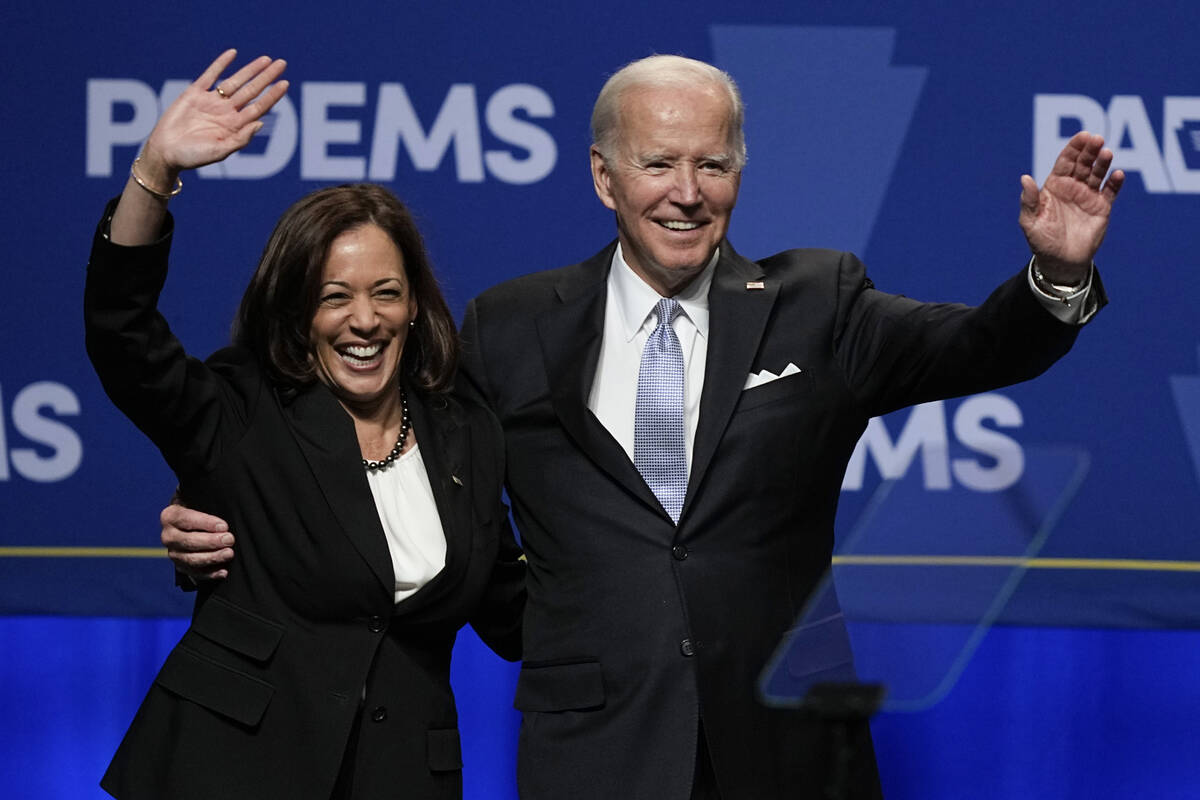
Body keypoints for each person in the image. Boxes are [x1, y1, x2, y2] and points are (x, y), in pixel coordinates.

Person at [162, 54, 1122, 799]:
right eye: (657, 162)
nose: (686, 190)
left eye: (712, 163)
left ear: (740, 172)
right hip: (597, 743)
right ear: (602, 177)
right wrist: (224, 509)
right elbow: (372, 434)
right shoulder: (512, 324)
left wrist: (1057, 278)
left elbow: (982, 348)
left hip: (790, 741)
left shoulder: (817, 300)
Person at [86, 50, 524, 800]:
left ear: (415, 306)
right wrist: (154, 171)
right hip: (230, 769)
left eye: (387, 293)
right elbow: (122, 332)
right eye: (335, 298)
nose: (365, 320)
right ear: (297, 313)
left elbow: (512, 612)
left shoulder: (465, 429)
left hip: (403, 778)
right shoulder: (242, 410)